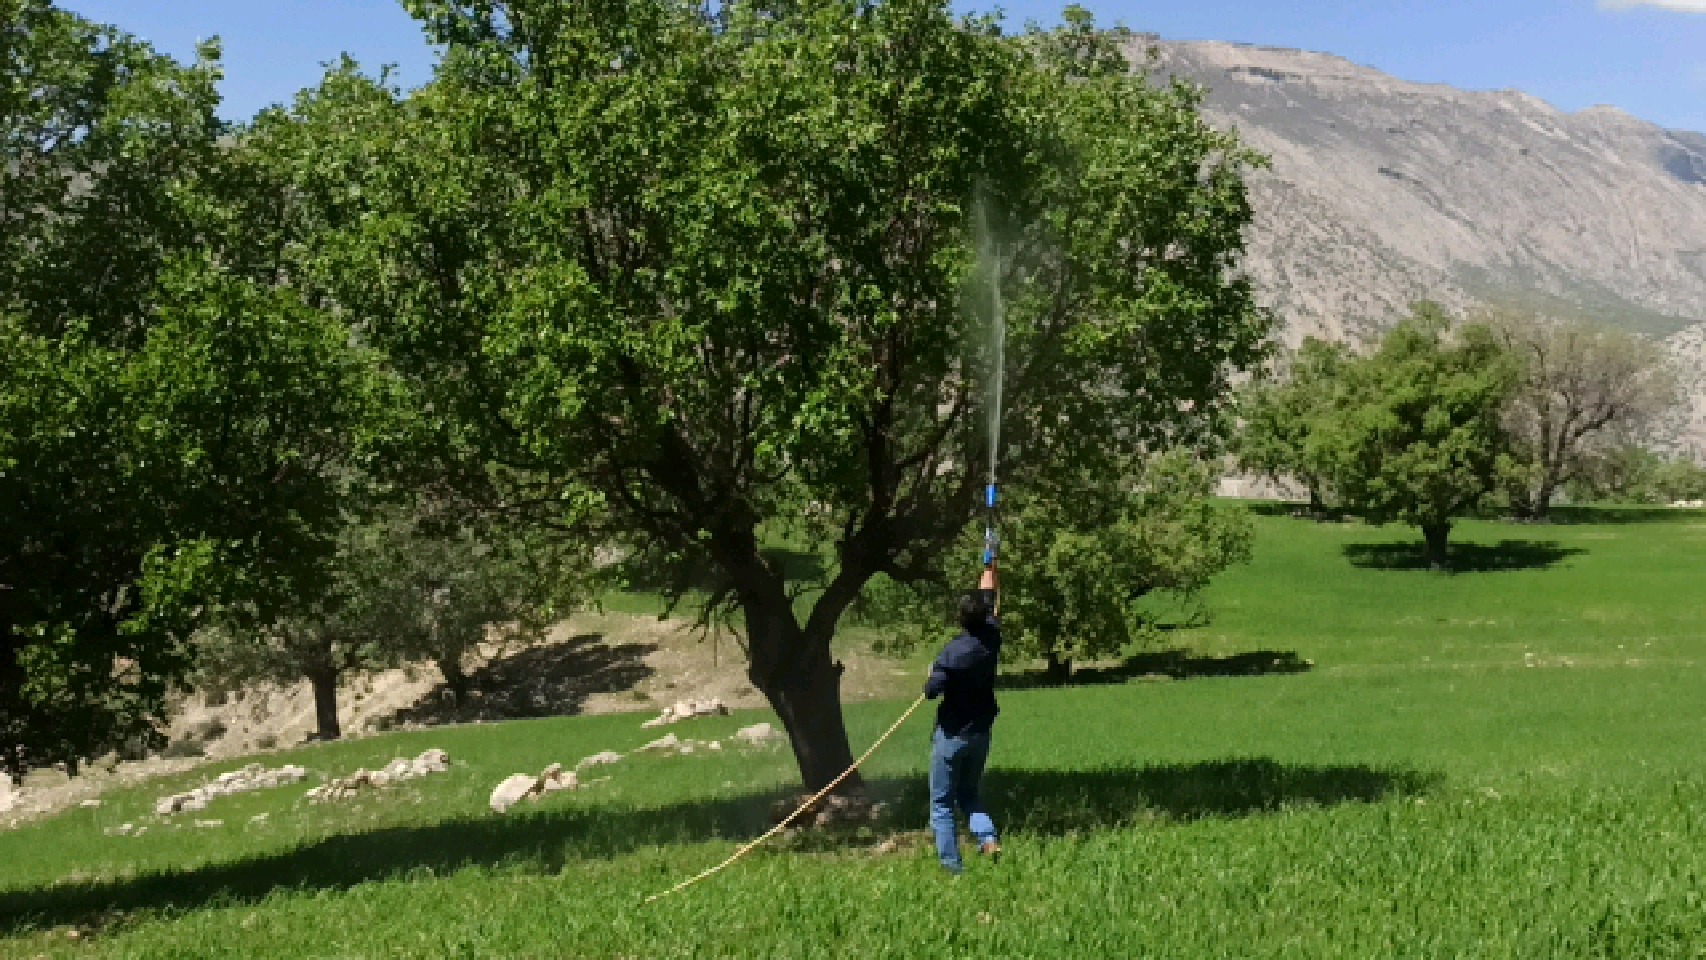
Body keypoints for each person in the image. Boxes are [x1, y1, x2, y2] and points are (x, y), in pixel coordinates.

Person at [923, 562, 1002, 875]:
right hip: (981, 733)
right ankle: (987, 838)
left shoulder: (952, 654)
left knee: (941, 805)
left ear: (960, 618)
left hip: (952, 735)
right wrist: (989, 564)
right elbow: (989, 595)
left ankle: (952, 867)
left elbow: (931, 691)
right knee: (969, 794)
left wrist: (932, 674)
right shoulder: (992, 637)